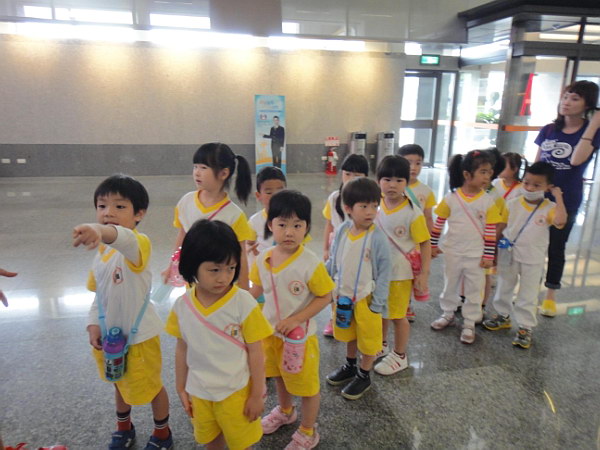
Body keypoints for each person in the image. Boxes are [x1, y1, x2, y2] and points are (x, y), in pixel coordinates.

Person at [72, 174, 172, 449]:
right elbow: (99, 295)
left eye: (119, 206)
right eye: (102, 206)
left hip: (140, 338)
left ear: (139, 214)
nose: (108, 213)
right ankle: (124, 427)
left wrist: (100, 230)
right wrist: (93, 323)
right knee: (117, 380)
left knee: (152, 386)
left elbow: (123, 238)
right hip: (111, 337)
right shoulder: (101, 254)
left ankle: (162, 432)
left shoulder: (138, 244)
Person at [165, 220, 273, 450]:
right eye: (214, 270)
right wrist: (181, 387)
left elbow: (256, 351)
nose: (224, 278)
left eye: (231, 268)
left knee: (240, 444)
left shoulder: (243, 303)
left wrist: (257, 394)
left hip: (236, 393)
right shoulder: (182, 306)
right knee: (211, 441)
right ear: (192, 265)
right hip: (200, 393)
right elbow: (182, 348)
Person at [249, 190, 334, 449]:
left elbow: (326, 296)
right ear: (270, 225)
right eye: (282, 224)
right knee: (279, 376)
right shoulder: (263, 259)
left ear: (307, 227)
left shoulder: (310, 264)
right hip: (270, 335)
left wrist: (297, 319)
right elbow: (256, 291)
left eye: (297, 225)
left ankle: (308, 430)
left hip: (300, 340)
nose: (289, 232)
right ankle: (286, 412)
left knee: (307, 387)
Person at [534, 81, 600, 317]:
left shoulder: (591, 133)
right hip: (539, 198)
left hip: (567, 198)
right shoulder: (549, 130)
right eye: (565, 97)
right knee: (531, 244)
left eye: (574, 98)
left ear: (587, 105)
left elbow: (575, 160)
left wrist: (593, 125)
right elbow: (537, 163)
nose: (566, 102)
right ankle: (529, 289)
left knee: (556, 246)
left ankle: (550, 295)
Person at [483, 162, 566, 348]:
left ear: (548, 187)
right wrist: (492, 249)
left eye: (537, 185)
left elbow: (561, 221)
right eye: (526, 183)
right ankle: (502, 315)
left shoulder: (549, 208)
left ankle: (525, 326)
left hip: (532, 258)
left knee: (528, 293)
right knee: (504, 285)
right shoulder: (512, 204)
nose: (529, 188)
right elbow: (501, 227)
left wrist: (559, 197)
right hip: (509, 253)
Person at [325, 177, 391, 399]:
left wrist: (377, 303)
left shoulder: (377, 237)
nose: (370, 212)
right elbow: (334, 260)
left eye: (374, 206)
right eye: (364, 206)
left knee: (369, 340)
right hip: (343, 296)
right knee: (350, 333)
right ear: (348, 208)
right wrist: (323, 279)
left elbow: (385, 271)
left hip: (367, 299)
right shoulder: (342, 231)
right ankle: (350, 365)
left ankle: (364, 374)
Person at [430, 151, 502, 344]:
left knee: (474, 288)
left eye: (489, 172)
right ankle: (447, 313)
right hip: (453, 251)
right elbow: (439, 223)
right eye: (483, 172)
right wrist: (433, 244)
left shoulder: (487, 201)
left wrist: (488, 255)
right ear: (467, 174)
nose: (488, 177)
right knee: (450, 284)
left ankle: (470, 322)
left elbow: (490, 230)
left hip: (476, 255)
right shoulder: (451, 198)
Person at [164, 143, 254, 289]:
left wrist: (244, 288)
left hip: (221, 284)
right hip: (194, 282)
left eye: (203, 168)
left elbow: (241, 255)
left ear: (223, 173)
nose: (197, 173)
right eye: (195, 167)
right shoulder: (186, 202)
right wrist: (172, 265)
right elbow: (183, 235)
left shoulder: (234, 215)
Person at [374, 156, 431, 375]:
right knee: (380, 310)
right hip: (377, 272)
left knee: (398, 315)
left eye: (399, 180)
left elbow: (424, 243)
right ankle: (381, 344)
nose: (392, 185)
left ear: (407, 182)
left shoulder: (412, 213)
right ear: (378, 180)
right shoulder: (375, 205)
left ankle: (400, 355)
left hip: (400, 274)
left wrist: (424, 273)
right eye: (387, 179)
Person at [321, 153, 369, 336]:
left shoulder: (368, 201)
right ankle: (333, 318)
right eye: (347, 174)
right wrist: (326, 248)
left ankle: (358, 318)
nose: (350, 179)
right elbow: (329, 224)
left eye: (357, 175)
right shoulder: (334, 198)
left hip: (360, 250)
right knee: (335, 284)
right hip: (338, 250)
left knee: (358, 284)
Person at [398, 144, 437, 322]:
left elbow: (429, 217)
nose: (413, 167)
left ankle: (406, 304)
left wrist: (430, 242)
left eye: (418, 163)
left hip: (415, 241)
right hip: (396, 238)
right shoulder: (393, 186)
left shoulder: (426, 191)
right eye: (408, 162)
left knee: (411, 273)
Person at [247, 166, 287, 268]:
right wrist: (252, 251)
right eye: (269, 192)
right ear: (258, 196)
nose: (275, 196)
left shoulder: (294, 218)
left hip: (287, 266)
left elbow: (302, 242)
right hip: (263, 267)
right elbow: (249, 243)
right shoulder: (254, 221)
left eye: (279, 191)